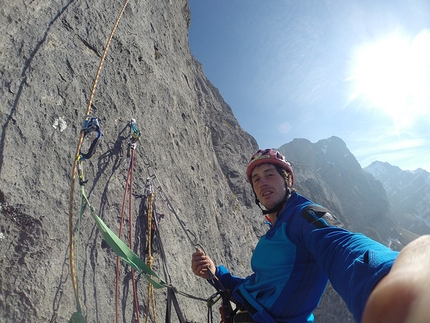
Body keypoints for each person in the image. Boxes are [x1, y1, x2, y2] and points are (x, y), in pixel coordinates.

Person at [191, 148, 430, 323]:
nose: (262, 183)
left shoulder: (305, 215)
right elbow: (259, 286)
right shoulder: (275, 231)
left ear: (288, 180)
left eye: (269, 174)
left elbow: (341, 245)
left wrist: (391, 274)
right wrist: (215, 274)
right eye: (256, 179)